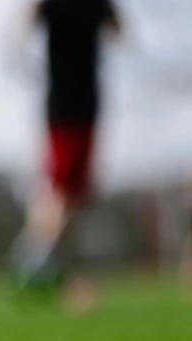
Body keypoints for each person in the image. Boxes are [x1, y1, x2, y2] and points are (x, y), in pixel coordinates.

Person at [11, 0, 122, 294]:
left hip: (78, 108)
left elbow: (22, 29)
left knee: (75, 194)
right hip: (68, 108)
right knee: (60, 191)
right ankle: (31, 263)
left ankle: (46, 264)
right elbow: (120, 32)